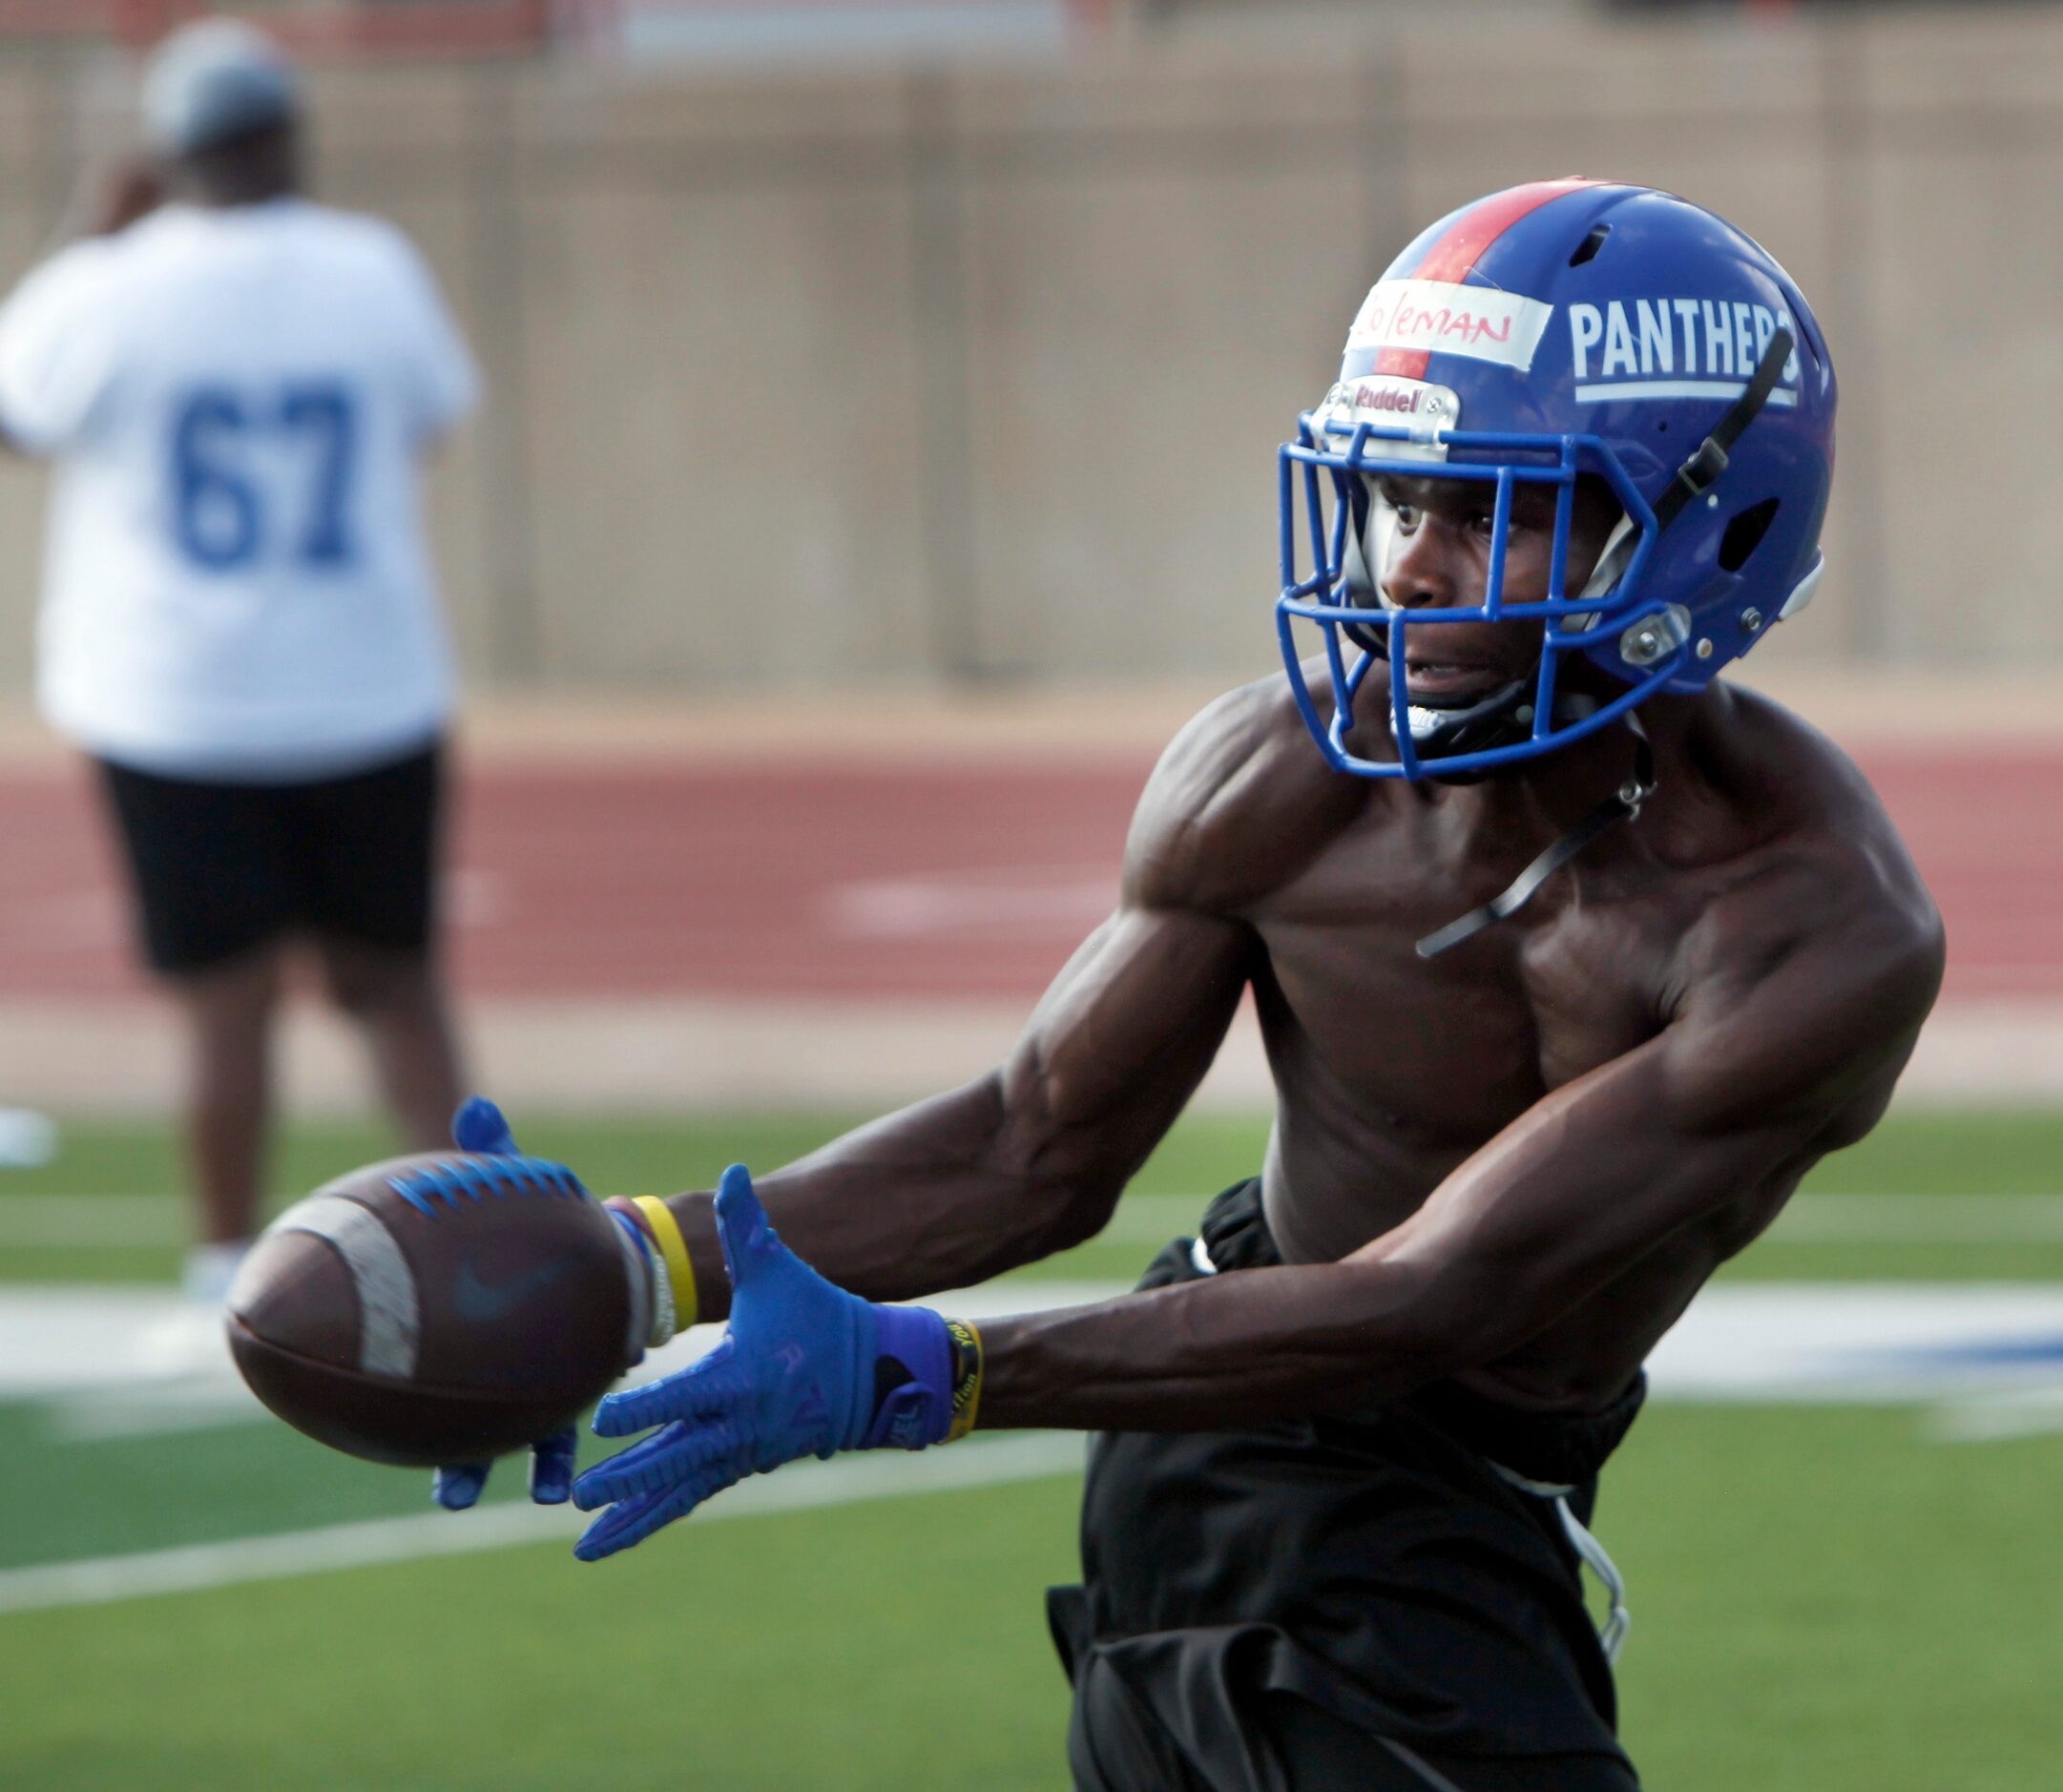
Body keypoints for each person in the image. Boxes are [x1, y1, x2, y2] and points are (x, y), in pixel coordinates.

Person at [460, 182, 1943, 1790]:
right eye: (1392, 501)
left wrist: (931, 1374)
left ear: (1699, 530)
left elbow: (1429, 1299)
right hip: (1269, 1464)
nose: (1406, 572)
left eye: (1484, 510)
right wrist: (637, 1265)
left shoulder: (1808, 927)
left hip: (1411, 1443)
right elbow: (1032, 1146)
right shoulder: (1283, 772)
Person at [0, 20, 478, 1328]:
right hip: (365, 679)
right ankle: (493, 1255)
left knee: (224, 1004)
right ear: (285, 138)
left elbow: (12, 412)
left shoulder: (110, 286)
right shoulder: (370, 267)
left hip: (177, 695)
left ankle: (226, 1264)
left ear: (170, 153)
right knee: (397, 985)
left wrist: (90, 237)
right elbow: (432, 415)